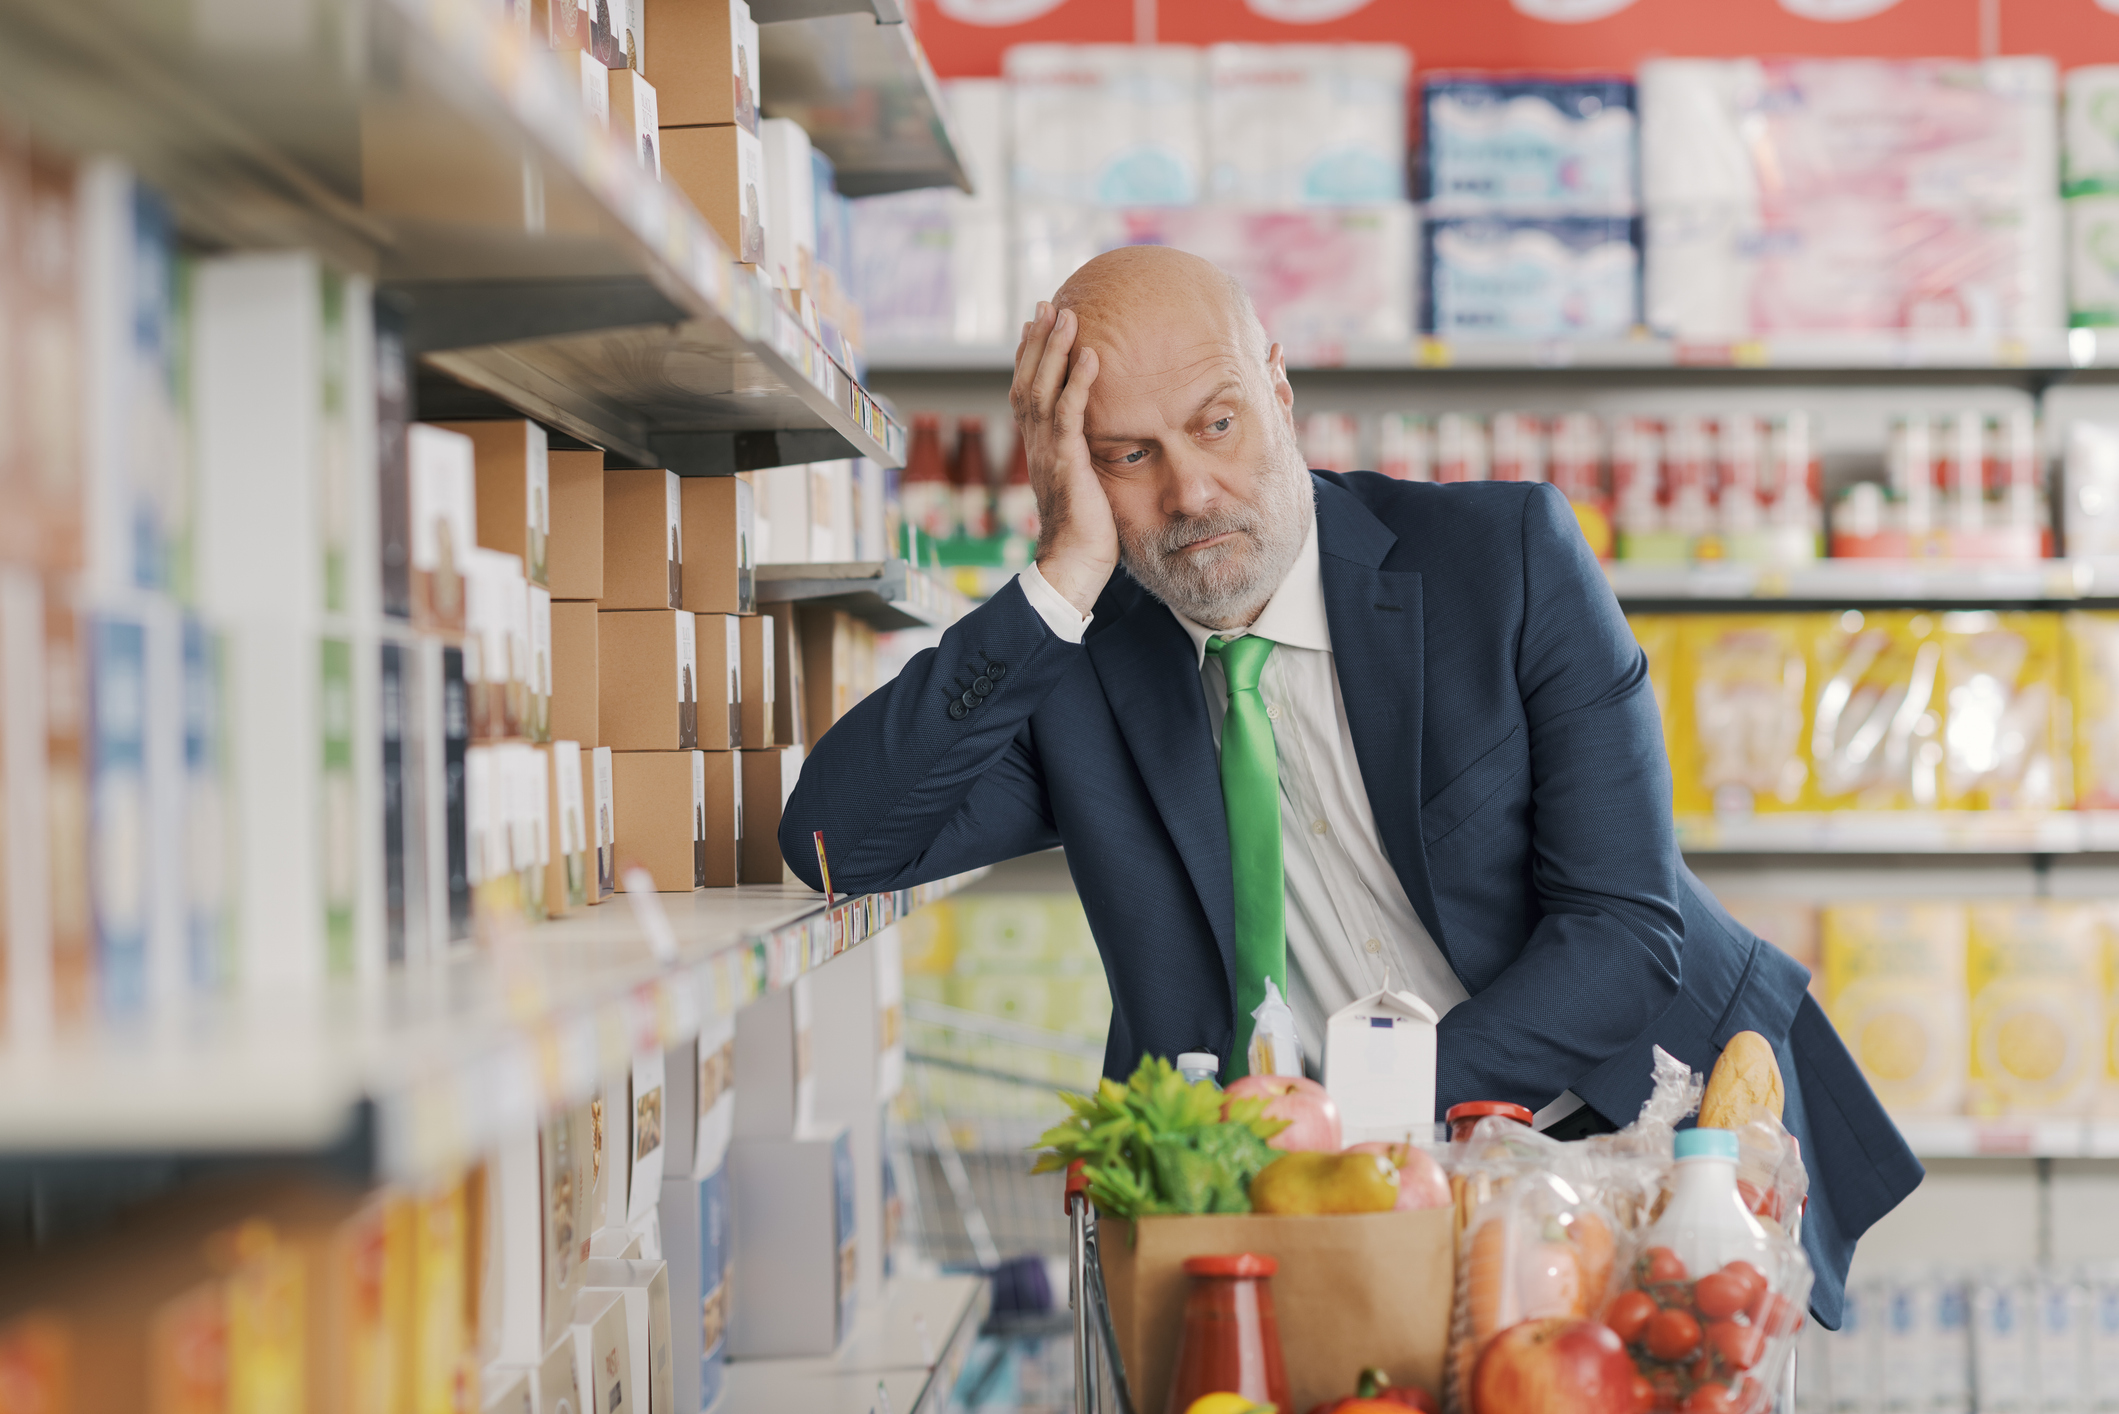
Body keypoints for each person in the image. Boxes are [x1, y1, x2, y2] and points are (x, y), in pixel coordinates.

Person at [780, 245, 1917, 1325]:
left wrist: (1349, 1112)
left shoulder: (1502, 559)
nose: (1190, 491)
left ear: (1278, 389)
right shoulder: (1081, 667)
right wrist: (1059, 576)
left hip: (1624, 1129)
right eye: (1127, 456)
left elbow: (1622, 936)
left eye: (1216, 424)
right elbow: (839, 841)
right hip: (1317, 1206)